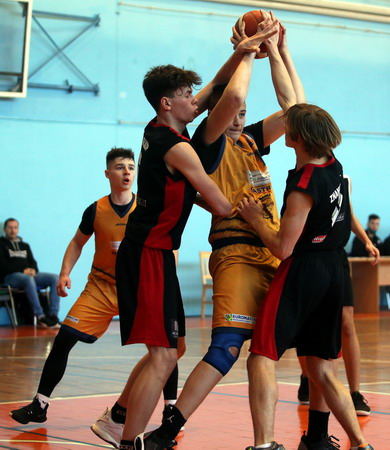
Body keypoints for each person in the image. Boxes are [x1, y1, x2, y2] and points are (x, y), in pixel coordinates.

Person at [143, 12, 302, 450]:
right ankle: (167, 429)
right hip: (235, 253)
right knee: (227, 348)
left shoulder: (251, 141)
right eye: (234, 113)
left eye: (244, 114)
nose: (239, 118)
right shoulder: (206, 144)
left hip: (274, 250)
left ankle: (301, 431)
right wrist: (247, 49)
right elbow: (231, 97)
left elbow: (295, 112)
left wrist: (280, 51)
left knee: (296, 346)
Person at [114, 60, 237, 449]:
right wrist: (249, 209)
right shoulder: (178, 148)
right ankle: (129, 440)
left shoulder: (158, 127)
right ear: (167, 103)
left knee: (174, 348)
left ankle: (116, 415)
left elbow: (214, 86)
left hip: (156, 252)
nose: (195, 101)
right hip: (147, 253)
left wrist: (241, 52)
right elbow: (221, 205)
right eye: (186, 95)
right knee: (164, 356)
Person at [237, 103, 373, 450]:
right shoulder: (334, 165)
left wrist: (255, 219)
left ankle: (264, 443)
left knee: (261, 355)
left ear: (296, 137)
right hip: (335, 268)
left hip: (305, 270)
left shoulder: (304, 185)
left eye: (289, 126)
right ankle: (358, 444)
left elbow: (283, 248)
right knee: (322, 367)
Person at [9, 148, 141, 442]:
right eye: (120, 167)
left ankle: (171, 408)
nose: (126, 172)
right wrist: (65, 272)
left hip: (135, 288)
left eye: (131, 167)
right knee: (63, 339)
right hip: (100, 286)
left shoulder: (144, 208)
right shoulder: (95, 209)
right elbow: (77, 242)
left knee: (163, 348)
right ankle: (40, 405)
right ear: (107, 173)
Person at [298, 199, 379, 416]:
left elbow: (348, 213)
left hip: (336, 257)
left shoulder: (342, 182)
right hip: (308, 255)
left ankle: (355, 393)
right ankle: (307, 376)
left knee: (346, 322)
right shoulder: (304, 184)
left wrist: (366, 241)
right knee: (308, 322)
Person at [0, 218, 60, 328]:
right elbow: (3, 266)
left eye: (15, 227)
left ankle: (53, 315)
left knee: (55, 278)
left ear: (18, 229)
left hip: (28, 275)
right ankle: (40, 315)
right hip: (10, 277)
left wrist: (33, 270)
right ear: (5, 229)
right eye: (10, 227)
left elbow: (33, 262)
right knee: (28, 279)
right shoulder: (1, 244)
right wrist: (23, 270)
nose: (13, 230)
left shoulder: (25, 245)